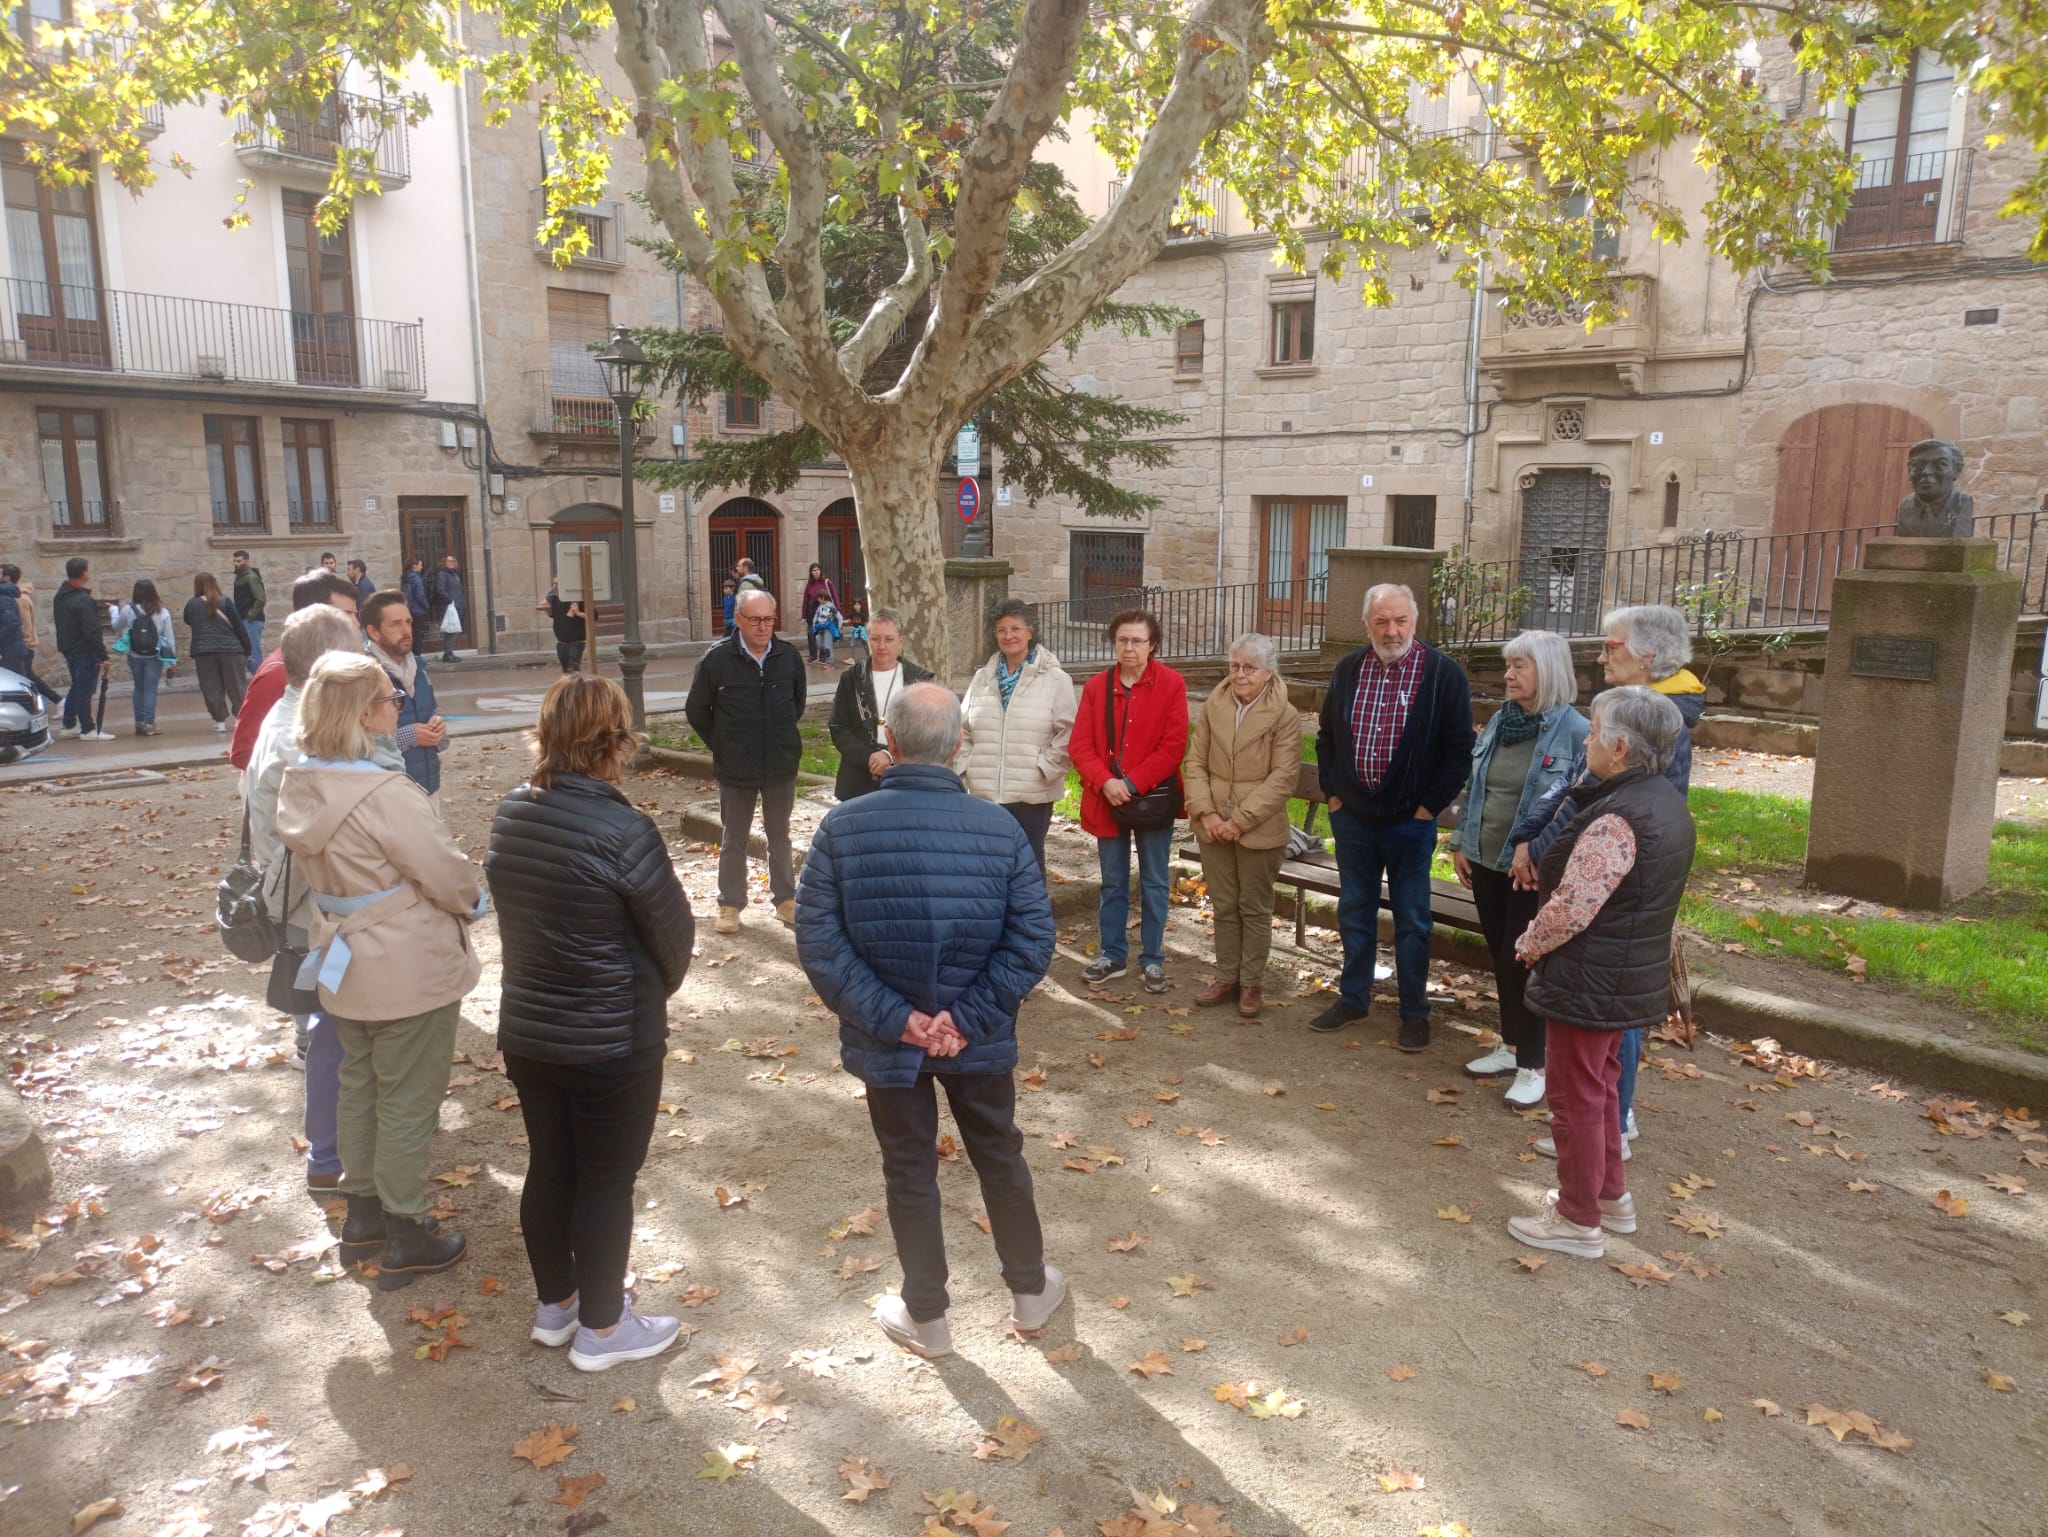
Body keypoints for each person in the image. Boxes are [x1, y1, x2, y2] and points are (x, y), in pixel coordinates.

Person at [794, 683, 1060, 1358]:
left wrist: (905, 1021)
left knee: (909, 1167)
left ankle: (929, 1318)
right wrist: (962, 1019)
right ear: (960, 745)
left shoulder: (843, 826)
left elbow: (823, 945)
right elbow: (1032, 940)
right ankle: (1029, 1293)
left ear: (890, 739)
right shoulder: (1000, 828)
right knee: (998, 1153)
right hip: (973, 1034)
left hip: (895, 1039)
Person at [485, 675, 695, 1372]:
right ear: (615, 740)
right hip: (611, 1038)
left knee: (552, 1162)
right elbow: (672, 937)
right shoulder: (622, 827)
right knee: (605, 1178)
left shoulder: (513, 811)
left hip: (531, 1027)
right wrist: (645, 992)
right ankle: (603, 1329)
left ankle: (561, 1303)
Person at [276, 651, 485, 1289]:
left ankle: (362, 1212)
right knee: (409, 1098)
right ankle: (407, 1229)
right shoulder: (383, 793)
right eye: (392, 698)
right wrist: (473, 899)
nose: (400, 705)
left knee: (361, 1085)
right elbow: (446, 872)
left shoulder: (302, 784)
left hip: (343, 956)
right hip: (404, 963)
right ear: (365, 712)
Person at [1506, 687, 1695, 1259]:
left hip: (1591, 977)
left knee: (1575, 1097)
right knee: (1602, 1086)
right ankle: (1610, 1197)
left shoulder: (1619, 818)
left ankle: (1577, 1217)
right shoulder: (1662, 800)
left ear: (1618, 748)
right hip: (1622, 973)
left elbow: (1571, 906)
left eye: (1593, 732)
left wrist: (1530, 943)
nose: (1585, 740)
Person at [1511, 603, 1704, 1155]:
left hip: (1616, 897)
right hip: (1583, 871)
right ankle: (1605, 1126)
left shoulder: (1656, 723)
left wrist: (1545, 852)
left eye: (1611, 647)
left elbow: (1619, 813)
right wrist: (1529, 838)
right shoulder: (1619, 711)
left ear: (1646, 657)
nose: (1600, 657)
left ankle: (1611, 1127)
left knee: (1613, 1005)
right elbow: (1570, 787)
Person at [1310, 583, 1474, 1047]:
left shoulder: (1442, 675)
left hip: (1410, 822)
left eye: (1400, 620)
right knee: (1355, 910)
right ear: (1366, 625)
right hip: (1354, 819)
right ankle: (1353, 998)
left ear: (1414, 622)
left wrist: (1427, 808)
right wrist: (1334, 796)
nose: (1392, 630)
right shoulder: (1348, 669)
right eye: (1382, 621)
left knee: (1412, 918)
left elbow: (1459, 752)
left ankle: (1413, 1011)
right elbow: (1326, 739)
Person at [242, 606, 365, 1180]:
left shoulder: (288, 719)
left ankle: (334, 1148)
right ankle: (331, 1154)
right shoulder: (303, 740)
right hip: (320, 914)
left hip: (311, 908)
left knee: (329, 1026)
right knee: (334, 1029)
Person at [1449, 630, 1587, 1107]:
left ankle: (1535, 1063)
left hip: (1529, 869)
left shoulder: (1575, 731)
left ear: (1546, 671)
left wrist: (1538, 851)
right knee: (1499, 956)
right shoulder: (1500, 722)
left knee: (1522, 959)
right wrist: (1460, 841)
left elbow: (1573, 809)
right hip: (1485, 858)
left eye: (1520, 666)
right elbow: (1477, 786)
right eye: (1509, 665)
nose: (1508, 674)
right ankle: (1511, 1046)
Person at [1069, 609, 1190, 995]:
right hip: (1107, 799)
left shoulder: (1172, 684)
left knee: (1154, 881)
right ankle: (1113, 954)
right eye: (1123, 640)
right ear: (1114, 643)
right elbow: (1080, 745)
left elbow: (1173, 747)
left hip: (1152, 799)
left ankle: (1153, 959)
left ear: (1152, 644)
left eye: (1138, 640)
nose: (1130, 647)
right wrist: (1105, 781)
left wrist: (1132, 782)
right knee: (1113, 881)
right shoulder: (1096, 687)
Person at [1183, 633, 1302, 1020]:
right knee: (1222, 905)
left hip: (1258, 829)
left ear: (1268, 672)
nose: (1240, 674)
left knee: (1253, 906)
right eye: (1234, 666)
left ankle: (1251, 982)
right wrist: (1207, 814)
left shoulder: (1284, 714)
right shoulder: (1214, 705)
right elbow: (1195, 763)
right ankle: (1226, 977)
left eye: (1249, 667)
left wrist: (1241, 821)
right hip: (1214, 825)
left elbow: (1283, 778)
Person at [685, 588, 805, 935]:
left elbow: (796, 704)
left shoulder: (788, 657)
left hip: (779, 764)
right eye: (756, 620)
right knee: (733, 838)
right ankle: (730, 905)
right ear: (739, 620)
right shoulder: (716, 660)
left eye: (769, 619)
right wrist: (723, 744)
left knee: (780, 836)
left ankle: (785, 900)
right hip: (736, 767)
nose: (764, 627)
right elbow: (697, 710)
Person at [956, 599, 1076, 874]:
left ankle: (1029, 918)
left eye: (1015, 628)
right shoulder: (981, 679)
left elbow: (1069, 733)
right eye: (1001, 630)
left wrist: (1044, 769)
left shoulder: (1056, 679)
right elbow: (962, 729)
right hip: (984, 793)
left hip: (1031, 794)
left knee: (1027, 868)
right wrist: (966, 767)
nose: (1008, 636)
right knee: (985, 866)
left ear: (1030, 632)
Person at [229, 570, 360, 771]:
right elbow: (243, 752)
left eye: (355, 614)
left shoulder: (329, 665)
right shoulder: (277, 672)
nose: (356, 624)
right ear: (316, 615)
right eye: (347, 614)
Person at [828, 607, 931, 801]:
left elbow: (925, 731)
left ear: (900, 641)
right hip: (857, 779)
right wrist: (869, 757)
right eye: (875, 639)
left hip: (906, 778)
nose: (882, 646)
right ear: (868, 639)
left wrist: (889, 756)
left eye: (889, 639)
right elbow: (838, 726)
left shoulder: (918, 681)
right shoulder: (851, 679)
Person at [362, 590, 448, 803]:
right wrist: (409, 736)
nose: (406, 630)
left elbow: (433, 714)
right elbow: (352, 744)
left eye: (408, 622)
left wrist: (439, 731)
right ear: (373, 631)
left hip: (429, 787)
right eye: (395, 624)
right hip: (387, 794)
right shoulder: (361, 675)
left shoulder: (419, 668)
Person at [53, 556, 114, 741]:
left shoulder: (60, 596)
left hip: (69, 647)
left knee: (77, 686)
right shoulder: (83, 600)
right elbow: (92, 630)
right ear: (84, 573)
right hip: (84, 649)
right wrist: (102, 655)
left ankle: (69, 723)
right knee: (85, 690)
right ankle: (87, 728)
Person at [183, 573, 249, 734]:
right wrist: (247, 649)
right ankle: (241, 719)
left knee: (211, 687)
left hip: (204, 651)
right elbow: (238, 626)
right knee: (236, 686)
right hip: (231, 650)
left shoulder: (191, 605)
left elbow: (188, 620)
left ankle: (219, 721)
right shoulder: (225, 601)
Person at [109, 580, 177, 737]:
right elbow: (169, 638)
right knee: (150, 689)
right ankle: (149, 723)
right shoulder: (162, 612)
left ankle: (139, 722)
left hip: (134, 654)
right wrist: (172, 660)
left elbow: (116, 626)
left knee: (138, 688)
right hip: (154, 655)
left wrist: (114, 611)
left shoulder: (128, 610)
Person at [4, 567, 62, 708]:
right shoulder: (17, 597)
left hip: (25, 645)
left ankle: (53, 701)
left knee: (25, 678)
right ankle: (54, 701)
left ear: (7, 578)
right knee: (27, 677)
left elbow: (24, 625)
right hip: (24, 645)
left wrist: (24, 640)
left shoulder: (20, 599)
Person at [539, 578, 588, 674]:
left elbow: (593, 617)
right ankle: (569, 688)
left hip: (576, 642)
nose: (554, 587)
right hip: (561, 643)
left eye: (557, 584)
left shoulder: (579, 599)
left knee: (573, 670)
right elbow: (552, 615)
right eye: (554, 584)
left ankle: (576, 688)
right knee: (566, 672)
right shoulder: (554, 598)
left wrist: (577, 613)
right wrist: (546, 609)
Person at [231, 551, 266, 663]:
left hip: (252, 621)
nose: (236, 564)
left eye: (239, 561)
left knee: (253, 654)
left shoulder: (251, 577)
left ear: (246, 561)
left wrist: (249, 616)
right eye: (234, 561)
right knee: (247, 654)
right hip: (244, 620)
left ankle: (261, 679)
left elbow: (261, 599)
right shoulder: (239, 577)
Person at [430, 554, 465, 665]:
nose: (451, 563)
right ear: (444, 562)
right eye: (448, 561)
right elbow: (440, 589)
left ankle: (450, 652)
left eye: (452, 561)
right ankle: (448, 653)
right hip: (449, 606)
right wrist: (449, 600)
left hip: (457, 605)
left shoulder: (455, 574)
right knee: (450, 630)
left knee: (454, 630)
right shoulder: (442, 574)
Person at [801, 563, 838, 664]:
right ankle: (813, 655)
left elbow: (834, 597)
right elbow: (805, 601)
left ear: (821, 571)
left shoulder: (827, 582)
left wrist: (837, 612)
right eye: (814, 570)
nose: (816, 572)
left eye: (817, 570)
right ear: (811, 572)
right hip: (811, 612)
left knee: (822, 634)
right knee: (811, 633)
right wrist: (803, 616)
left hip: (824, 613)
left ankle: (823, 656)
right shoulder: (809, 585)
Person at [809, 595, 842, 668]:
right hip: (821, 628)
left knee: (827, 645)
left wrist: (839, 627)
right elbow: (817, 615)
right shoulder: (820, 606)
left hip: (829, 628)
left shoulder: (831, 607)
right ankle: (830, 653)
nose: (818, 600)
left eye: (819, 598)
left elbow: (839, 617)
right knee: (819, 644)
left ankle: (830, 663)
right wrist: (814, 623)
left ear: (823, 598)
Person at [402, 557, 431, 628]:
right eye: (420, 565)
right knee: (418, 634)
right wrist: (427, 606)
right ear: (414, 566)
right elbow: (420, 595)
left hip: (409, 609)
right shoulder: (417, 578)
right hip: (418, 610)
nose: (422, 567)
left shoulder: (405, 578)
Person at [842, 595, 869, 661]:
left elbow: (866, 623)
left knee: (866, 645)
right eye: (855, 605)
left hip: (862, 631)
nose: (856, 606)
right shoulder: (852, 613)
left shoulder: (863, 614)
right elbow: (850, 620)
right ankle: (852, 658)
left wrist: (868, 631)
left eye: (858, 605)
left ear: (861, 605)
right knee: (852, 644)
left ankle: (871, 658)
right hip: (855, 631)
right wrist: (843, 621)